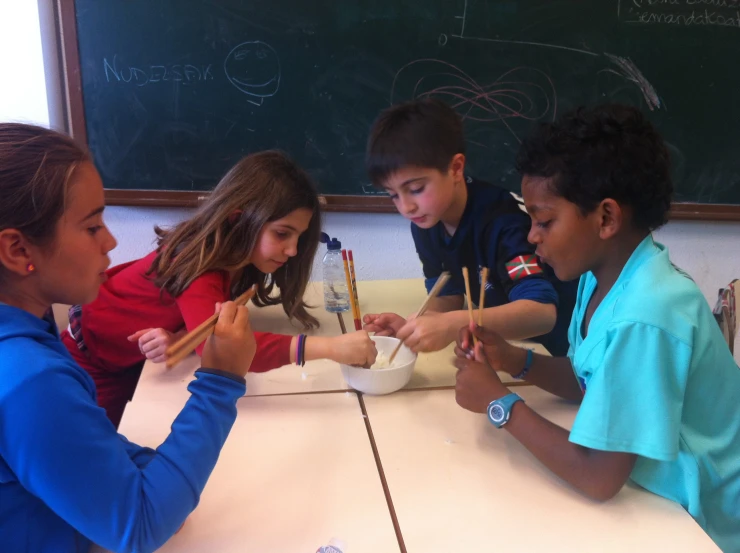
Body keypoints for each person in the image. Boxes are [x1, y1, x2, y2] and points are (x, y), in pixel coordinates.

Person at [453, 104, 740, 552]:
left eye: (544, 220)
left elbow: (598, 475)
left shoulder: (646, 313)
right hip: (653, 496)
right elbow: (592, 381)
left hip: (701, 524)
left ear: (606, 218)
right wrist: (514, 360)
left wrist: (499, 403)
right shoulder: (601, 276)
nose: (532, 235)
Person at [0, 122, 255, 552]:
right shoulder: (30, 379)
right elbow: (139, 528)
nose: (111, 241)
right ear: (18, 250)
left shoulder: (28, 332)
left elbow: (82, 439)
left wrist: (156, 480)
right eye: (92, 226)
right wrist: (220, 383)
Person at [61, 150, 377, 427]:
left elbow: (205, 323)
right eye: (282, 234)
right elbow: (226, 350)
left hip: (136, 362)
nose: (293, 250)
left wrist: (180, 336)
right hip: (89, 364)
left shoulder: (237, 258)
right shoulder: (199, 263)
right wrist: (331, 348)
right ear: (239, 220)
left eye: (299, 237)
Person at [362, 98, 576, 356]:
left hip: (564, 352)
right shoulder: (427, 223)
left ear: (455, 168)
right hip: (512, 349)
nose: (406, 207)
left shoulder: (502, 221)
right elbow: (449, 293)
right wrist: (414, 325)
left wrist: (454, 324)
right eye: (393, 195)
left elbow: (541, 314)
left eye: (416, 189)